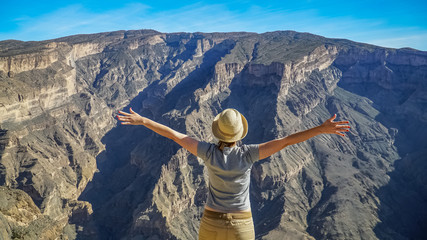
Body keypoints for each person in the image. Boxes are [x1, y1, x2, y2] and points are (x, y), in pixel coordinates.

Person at [117, 108, 350, 240]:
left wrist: (144, 120)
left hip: (211, 224)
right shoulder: (249, 154)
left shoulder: (207, 152)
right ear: (240, 134)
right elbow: (286, 141)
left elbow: (174, 135)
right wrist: (321, 129)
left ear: (218, 133)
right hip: (242, 226)